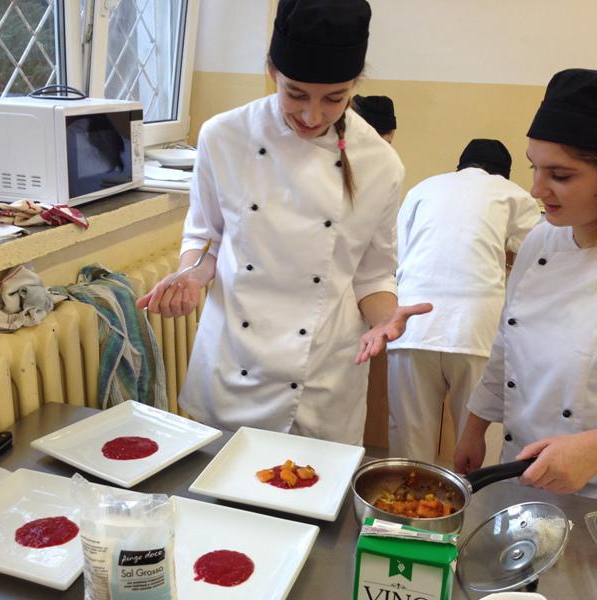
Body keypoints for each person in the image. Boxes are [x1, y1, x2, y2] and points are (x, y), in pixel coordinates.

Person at [137, 0, 431, 445]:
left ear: (355, 85)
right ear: (272, 71)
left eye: (334, 98)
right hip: (233, 369)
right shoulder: (223, 137)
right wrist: (190, 277)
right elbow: (205, 238)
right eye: (295, 94)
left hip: (321, 378)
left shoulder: (380, 163)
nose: (312, 116)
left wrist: (385, 321)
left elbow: (372, 276)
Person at [455, 68, 597, 497]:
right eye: (535, 167)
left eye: (560, 175)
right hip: (519, 470)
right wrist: (474, 427)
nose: (536, 189)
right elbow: (506, 340)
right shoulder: (540, 240)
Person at [386, 139, 541, 463]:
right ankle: (477, 496)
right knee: (476, 439)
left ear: (459, 167)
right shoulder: (512, 193)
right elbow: (537, 252)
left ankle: (408, 495)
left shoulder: (423, 188)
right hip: (476, 327)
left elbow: (396, 253)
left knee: (410, 439)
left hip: (412, 325)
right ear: (503, 173)